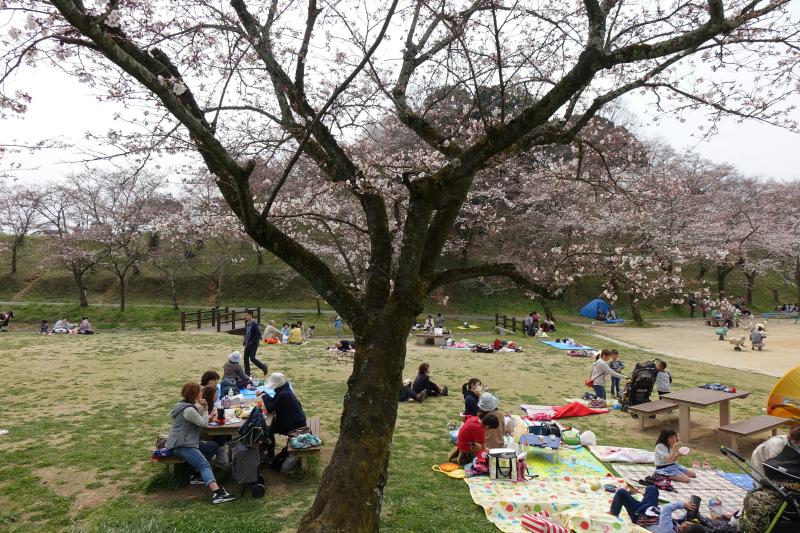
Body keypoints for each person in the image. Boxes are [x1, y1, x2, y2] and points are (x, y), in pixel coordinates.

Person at [165, 382, 235, 504]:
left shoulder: (184, 405)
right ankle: (217, 494)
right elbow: (204, 424)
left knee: (212, 446)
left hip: (183, 442)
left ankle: (196, 475)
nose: (202, 393)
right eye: (200, 391)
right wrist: (206, 408)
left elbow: (200, 421)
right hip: (182, 445)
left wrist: (205, 412)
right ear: (195, 394)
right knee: (204, 465)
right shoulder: (188, 410)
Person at [610, 485, 711, 532]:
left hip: (639, 514)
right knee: (652, 488)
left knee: (621, 492)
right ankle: (645, 498)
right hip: (652, 510)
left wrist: (683, 505)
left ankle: (613, 513)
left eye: (689, 523)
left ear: (684, 526)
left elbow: (667, 509)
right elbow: (677, 521)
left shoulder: (667, 529)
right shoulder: (678, 529)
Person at [260, 372, 307, 465]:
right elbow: (274, 402)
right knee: (268, 428)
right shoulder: (284, 390)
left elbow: (270, 408)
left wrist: (264, 396)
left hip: (294, 425)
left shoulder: (283, 394)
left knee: (268, 429)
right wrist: (264, 394)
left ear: (276, 384)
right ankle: (268, 452)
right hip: (293, 421)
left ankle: (270, 455)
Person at [242, 309, 268, 376]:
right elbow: (247, 333)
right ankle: (247, 374)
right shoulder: (247, 323)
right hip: (247, 344)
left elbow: (258, 334)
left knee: (252, 358)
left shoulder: (254, 323)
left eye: (246, 315)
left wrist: (252, 342)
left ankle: (264, 367)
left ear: (250, 315)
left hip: (253, 344)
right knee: (245, 359)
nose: (245, 316)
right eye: (245, 315)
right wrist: (245, 340)